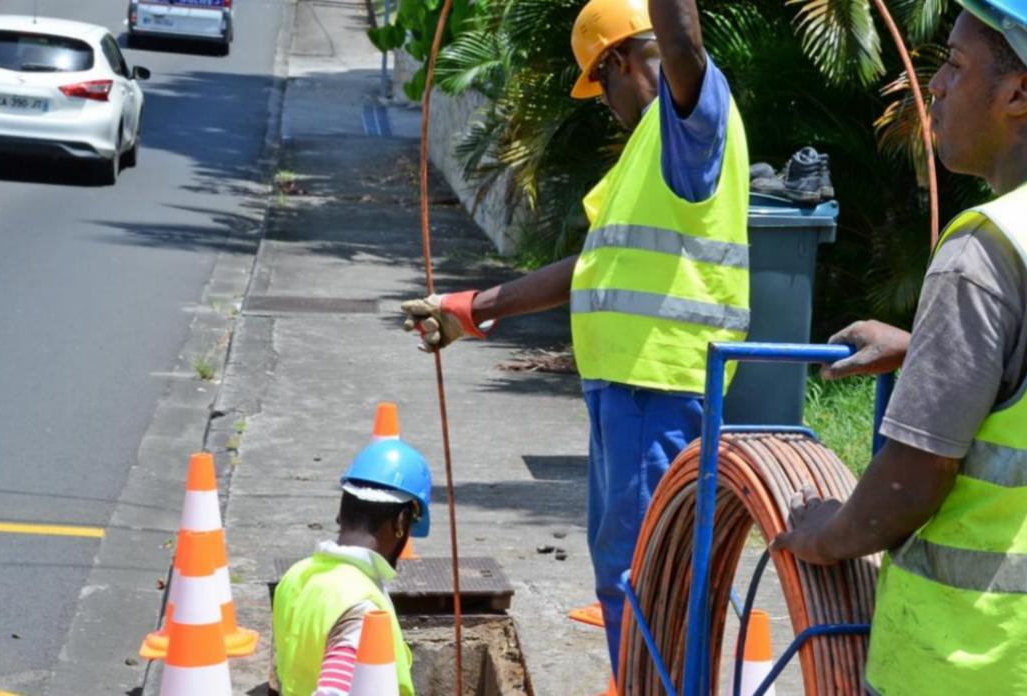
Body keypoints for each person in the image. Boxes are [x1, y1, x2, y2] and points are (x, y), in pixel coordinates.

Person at [772, 0, 1027, 693]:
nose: (935, 86)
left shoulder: (991, 246)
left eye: (956, 65)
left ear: (1021, 91)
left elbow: (907, 487)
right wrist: (925, 347)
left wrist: (824, 532)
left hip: (976, 666)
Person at [396, 0, 750, 680]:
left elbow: (680, 41)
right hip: (627, 391)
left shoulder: (691, 121)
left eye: (599, 87)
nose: (604, 106)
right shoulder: (647, 151)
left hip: (658, 387)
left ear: (617, 62)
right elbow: (593, 267)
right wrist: (473, 308)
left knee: (646, 578)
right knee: (623, 570)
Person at [272, 438, 432, 696]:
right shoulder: (360, 607)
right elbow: (333, 690)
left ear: (341, 513)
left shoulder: (296, 577)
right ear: (401, 522)